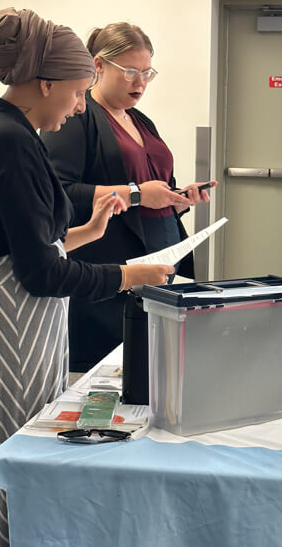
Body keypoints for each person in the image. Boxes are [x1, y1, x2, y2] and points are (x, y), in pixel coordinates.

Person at [0, 8, 173, 546]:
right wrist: (128, 274)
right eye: (76, 93)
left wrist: (89, 231)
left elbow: (27, 242)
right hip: (4, 327)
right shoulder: (5, 139)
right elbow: (41, 272)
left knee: (25, 456)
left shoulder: (10, 130)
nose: (79, 108)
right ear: (44, 82)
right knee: (10, 467)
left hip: (16, 320)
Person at [41, 22, 216, 372]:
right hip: (109, 269)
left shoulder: (141, 120)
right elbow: (58, 191)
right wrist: (136, 195)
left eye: (147, 73)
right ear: (99, 66)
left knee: (154, 368)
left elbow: (156, 186)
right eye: (131, 72)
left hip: (158, 263)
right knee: (111, 375)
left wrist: (176, 198)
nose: (140, 83)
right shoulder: (79, 117)